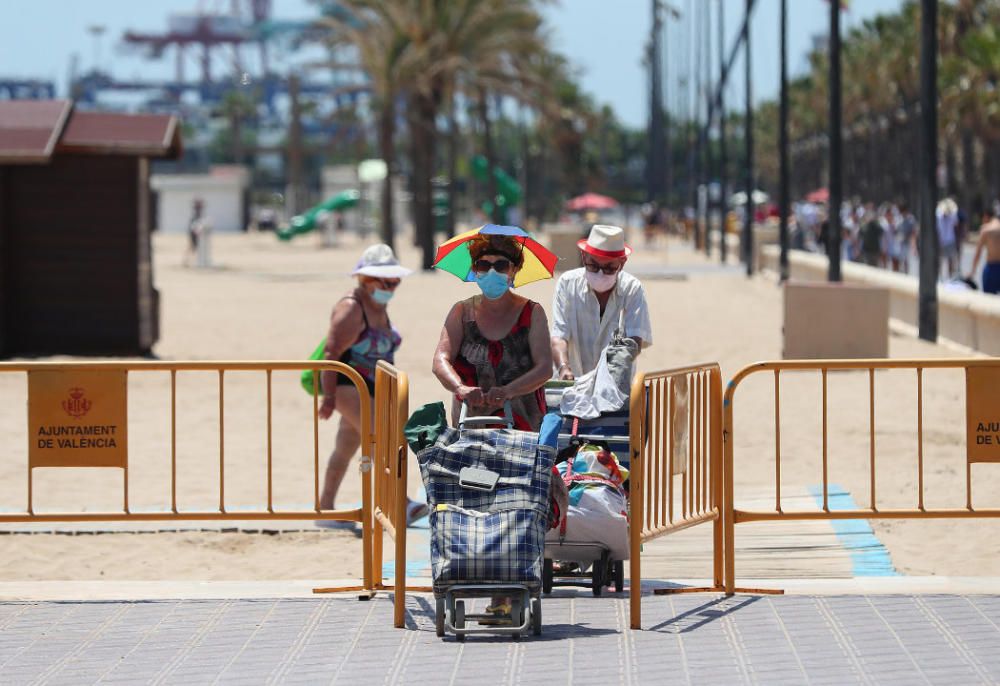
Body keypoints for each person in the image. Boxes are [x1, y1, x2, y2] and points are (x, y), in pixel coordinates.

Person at [317, 244, 427, 527]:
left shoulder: (379, 306)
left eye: (395, 281)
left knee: (346, 446)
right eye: (386, 281)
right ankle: (400, 504)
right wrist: (329, 397)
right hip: (348, 386)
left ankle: (325, 508)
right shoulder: (351, 308)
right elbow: (331, 353)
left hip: (371, 388)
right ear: (365, 280)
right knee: (384, 440)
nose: (392, 286)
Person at [432, 233, 553, 431]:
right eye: (483, 265)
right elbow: (440, 360)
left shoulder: (532, 313)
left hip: (524, 430)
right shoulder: (461, 312)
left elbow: (544, 368)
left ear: (514, 270)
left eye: (500, 266)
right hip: (469, 428)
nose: (491, 272)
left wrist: (508, 391)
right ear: (474, 270)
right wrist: (460, 388)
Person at [550, 225, 652, 380]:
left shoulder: (632, 289)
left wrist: (611, 371)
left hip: (615, 388)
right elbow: (559, 335)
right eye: (593, 265)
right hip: (573, 386)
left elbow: (635, 340)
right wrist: (564, 368)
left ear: (622, 263)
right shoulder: (567, 284)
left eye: (609, 268)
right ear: (583, 257)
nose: (600, 274)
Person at [968, 205, 1000, 294]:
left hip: (991, 268)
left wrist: (972, 272)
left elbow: (978, 253)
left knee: (988, 300)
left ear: (986, 216)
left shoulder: (986, 230)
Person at [937, 198, 960, 279]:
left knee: (950, 260)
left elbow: (956, 226)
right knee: (939, 260)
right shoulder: (938, 216)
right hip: (941, 241)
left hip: (950, 240)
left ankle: (950, 277)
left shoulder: (953, 215)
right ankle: (940, 277)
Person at [184, 199, 205, 267]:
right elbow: (193, 226)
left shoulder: (198, 215)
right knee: (192, 248)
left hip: (195, 234)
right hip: (193, 234)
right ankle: (187, 261)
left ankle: (189, 261)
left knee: (193, 248)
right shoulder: (196, 216)